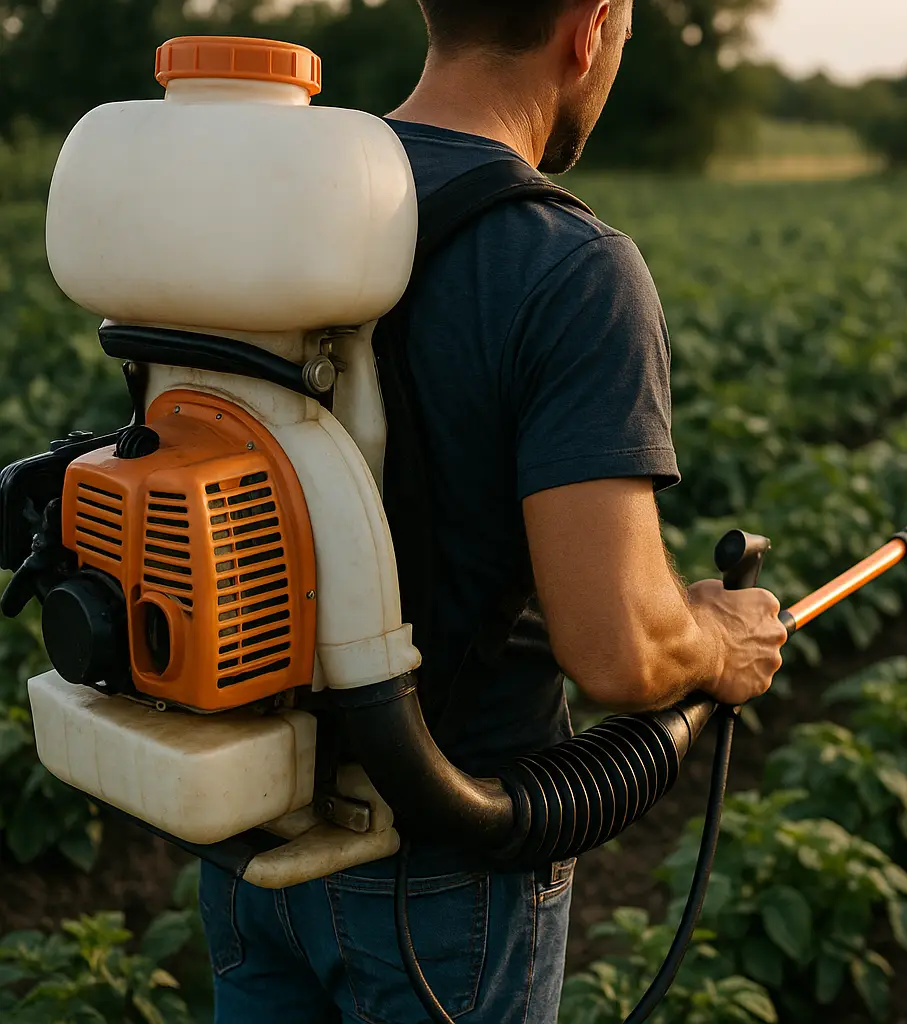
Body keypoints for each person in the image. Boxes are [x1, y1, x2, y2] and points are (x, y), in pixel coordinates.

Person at [195, 2, 789, 1021]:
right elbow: (617, 651)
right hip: (444, 868)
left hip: (250, 833)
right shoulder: (569, 265)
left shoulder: (272, 198)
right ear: (588, 26)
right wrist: (719, 637)